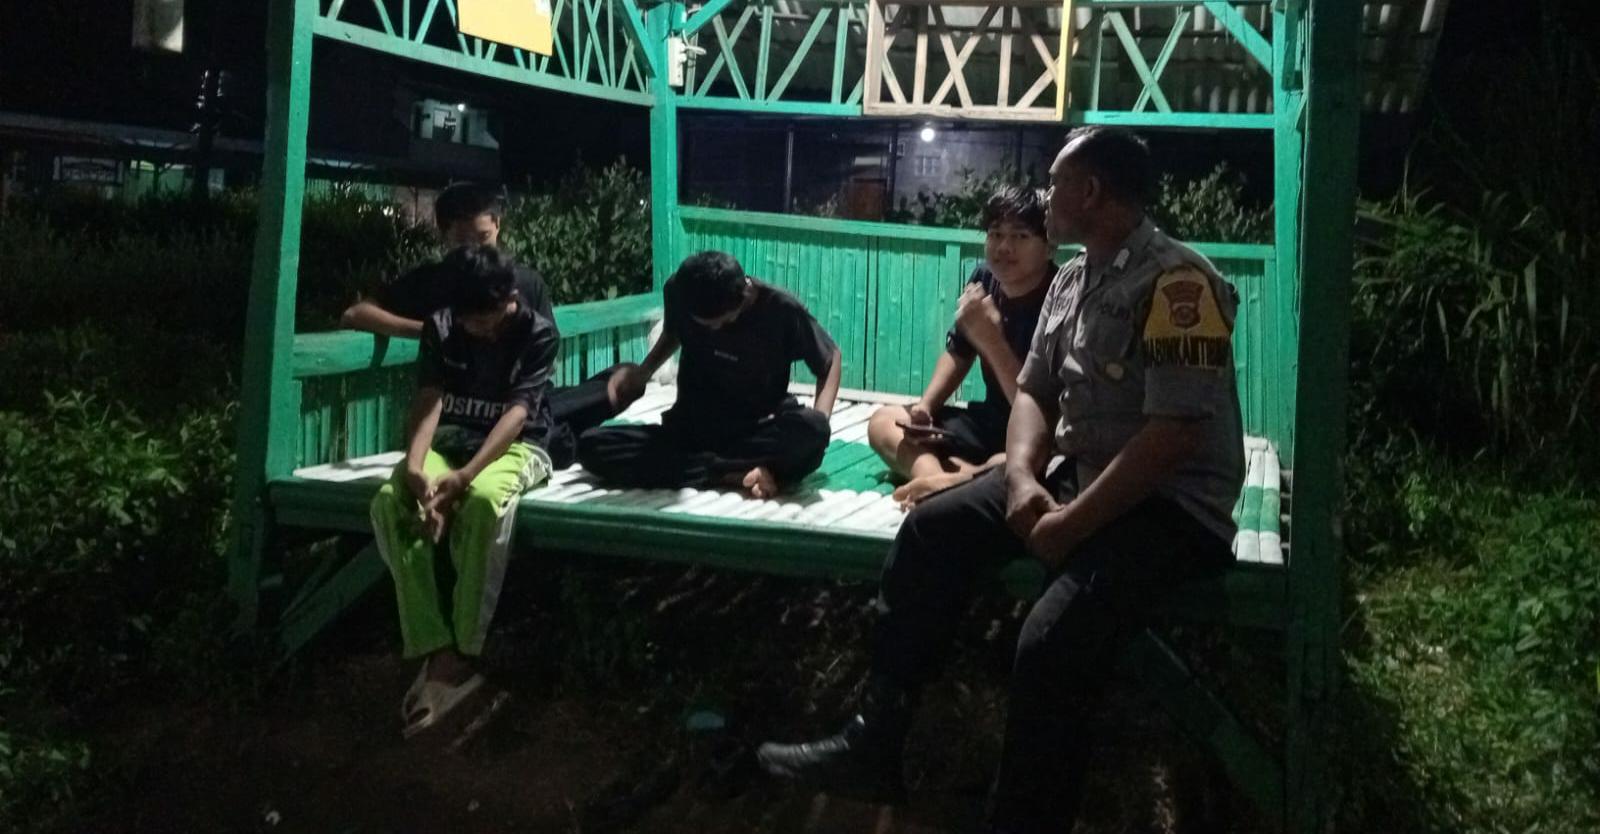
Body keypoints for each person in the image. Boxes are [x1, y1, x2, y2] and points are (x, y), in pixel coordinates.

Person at [756, 126, 1245, 833]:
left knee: (1051, 643)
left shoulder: (1178, 283)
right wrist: (1018, 478)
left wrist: (1070, 525)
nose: (1046, 196)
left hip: (1167, 509)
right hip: (1074, 478)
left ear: (1090, 191)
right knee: (932, 530)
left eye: (1054, 183)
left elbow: (1175, 436)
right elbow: (1037, 394)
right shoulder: (1074, 279)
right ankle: (875, 740)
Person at [368, 245, 561, 738]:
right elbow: (429, 396)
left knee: (481, 504)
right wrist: (416, 468)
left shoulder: (538, 332)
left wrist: (465, 477)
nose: (481, 331)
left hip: (517, 445)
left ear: (510, 297)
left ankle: (463, 650)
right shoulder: (442, 325)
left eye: (489, 319)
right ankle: (436, 647)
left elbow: (518, 415)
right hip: (450, 441)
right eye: (471, 322)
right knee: (390, 502)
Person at [341, 181, 633, 468]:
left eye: (483, 238)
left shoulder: (526, 282)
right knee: (558, 435)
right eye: (462, 242)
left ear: (497, 226)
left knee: (616, 384)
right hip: (464, 409)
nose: (475, 250)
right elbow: (356, 314)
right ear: (444, 234)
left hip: (519, 401)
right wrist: (427, 331)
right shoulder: (432, 282)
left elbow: (543, 366)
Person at [577, 250, 843, 498]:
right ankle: (732, 474)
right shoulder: (680, 291)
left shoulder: (780, 308)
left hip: (757, 431)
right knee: (593, 446)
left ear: (743, 300)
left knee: (813, 430)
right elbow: (673, 332)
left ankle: (710, 469)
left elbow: (830, 360)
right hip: (693, 429)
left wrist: (822, 423)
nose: (714, 331)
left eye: (721, 323)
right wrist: (644, 372)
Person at [865, 186, 1055, 508]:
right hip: (989, 421)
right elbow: (959, 352)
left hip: (1034, 432)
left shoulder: (1060, 296)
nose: (1004, 247)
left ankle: (958, 479)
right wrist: (926, 407)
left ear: (1049, 247)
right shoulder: (984, 279)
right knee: (884, 421)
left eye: (1020, 236)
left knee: (1037, 461)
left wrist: (992, 340)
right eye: (995, 234)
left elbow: (1036, 413)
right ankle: (938, 479)